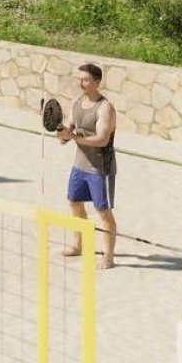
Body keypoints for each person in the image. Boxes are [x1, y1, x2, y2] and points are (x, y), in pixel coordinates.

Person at [57, 63, 118, 269]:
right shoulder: (76, 103)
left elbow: (102, 139)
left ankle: (108, 257)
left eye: (85, 80)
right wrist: (60, 132)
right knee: (74, 202)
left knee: (103, 212)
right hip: (80, 165)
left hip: (100, 168)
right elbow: (66, 135)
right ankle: (78, 245)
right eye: (79, 79)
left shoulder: (105, 108)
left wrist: (74, 137)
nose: (81, 83)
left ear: (97, 82)